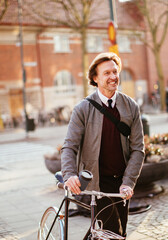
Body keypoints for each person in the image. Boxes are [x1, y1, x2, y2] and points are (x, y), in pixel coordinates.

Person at [61, 52, 145, 238]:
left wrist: (128, 182)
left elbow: (138, 149)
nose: (113, 77)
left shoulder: (131, 106)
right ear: (95, 78)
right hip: (96, 183)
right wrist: (69, 174)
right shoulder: (82, 109)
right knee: (114, 233)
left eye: (115, 72)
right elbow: (69, 146)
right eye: (107, 73)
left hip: (122, 183)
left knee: (117, 232)